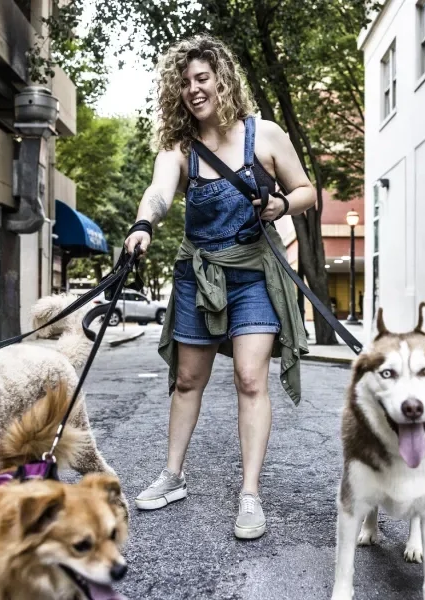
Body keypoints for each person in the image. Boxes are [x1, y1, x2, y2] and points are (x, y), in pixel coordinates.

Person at [122, 34, 314, 540]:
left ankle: (249, 494)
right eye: (184, 82)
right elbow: (160, 192)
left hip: (253, 273)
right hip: (197, 275)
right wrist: (143, 224)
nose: (193, 89)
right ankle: (173, 475)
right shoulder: (179, 146)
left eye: (202, 78)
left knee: (251, 379)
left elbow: (307, 191)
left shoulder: (265, 135)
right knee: (188, 380)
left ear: (223, 78)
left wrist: (280, 207)